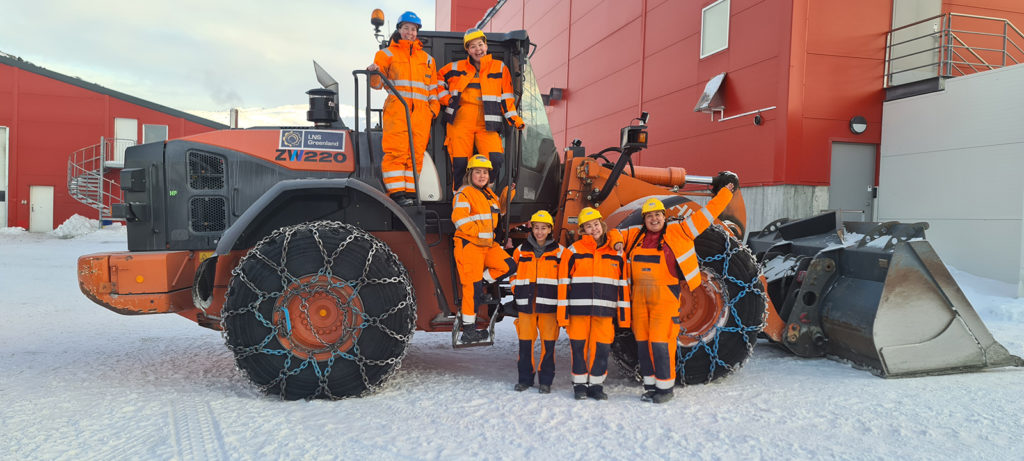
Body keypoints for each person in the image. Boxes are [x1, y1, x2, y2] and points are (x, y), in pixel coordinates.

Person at [621, 171, 739, 404]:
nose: (654, 219)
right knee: (643, 343)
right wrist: (614, 239)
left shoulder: (680, 231)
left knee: (660, 341)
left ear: (664, 217)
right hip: (639, 300)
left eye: (658, 215)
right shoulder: (634, 237)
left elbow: (707, 214)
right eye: (649, 216)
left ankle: (665, 389)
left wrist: (726, 192)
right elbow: (613, 233)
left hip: (665, 298)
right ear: (643, 220)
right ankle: (650, 386)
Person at [367, 11, 440, 206]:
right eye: (406, 28)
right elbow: (375, 84)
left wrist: (433, 110)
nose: (410, 32)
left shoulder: (428, 60)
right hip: (397, 110)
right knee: (396, 151)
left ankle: (410, 192)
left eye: (413, 29)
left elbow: (433, 89)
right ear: (399, 30)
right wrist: (373, 73)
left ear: (417, 32)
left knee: (415, 155)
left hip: (422, 114)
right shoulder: (386, 54)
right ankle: (398, 194)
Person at [557, 207, 630, 400]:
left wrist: (624, 317)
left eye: (596, 224)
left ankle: (596, 386)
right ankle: (579, 385)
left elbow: (623, 285)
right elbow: (563, 284)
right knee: (579, 348)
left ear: (602, 225)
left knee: (602, 349)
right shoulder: (573, 251)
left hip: (604, 312)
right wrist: (562, 315)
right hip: (578, 312)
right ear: (582, 230)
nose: (594, 229)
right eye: (588, 226)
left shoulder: (617, 253)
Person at [437, 28, 525, 188]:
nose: (477, 49)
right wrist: (446, 99)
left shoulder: (499, 68)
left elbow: (506, 97)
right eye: (472, 46)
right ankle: (461, 195)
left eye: (480, 44)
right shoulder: (455, 67)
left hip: (488, 125)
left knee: (495, 159)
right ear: (468, 50)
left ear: (486, 45)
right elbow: (437, 80)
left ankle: (484, 192)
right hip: (460, 122)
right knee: (460, 163)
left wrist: (514, 119)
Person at [452, 154, 517, 343]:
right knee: (470, 288)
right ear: (470, 174)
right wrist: (479, 233)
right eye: (478, 172)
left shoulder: (489, 195)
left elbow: (500, 211)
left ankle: (482, 281)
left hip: (487, 246)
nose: (482, 176)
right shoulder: (464, 193)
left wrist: (507, 195)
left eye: (485, 173)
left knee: (508, 266)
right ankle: (469, 331)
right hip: (469, 245)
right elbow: (459, 220)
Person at [509, 210, 567, 393]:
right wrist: (516, 290)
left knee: (548, 346)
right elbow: (513, 274)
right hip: (526, 305)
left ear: (550, 229)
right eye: (536, 228)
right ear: (531, 229)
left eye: (544, 228)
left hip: (549, 305)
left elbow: (566, 278)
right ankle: (525, 380)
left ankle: (545, 381)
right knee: (525, 344)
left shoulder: (561, 252)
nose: (540, 232)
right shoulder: (520, 251)